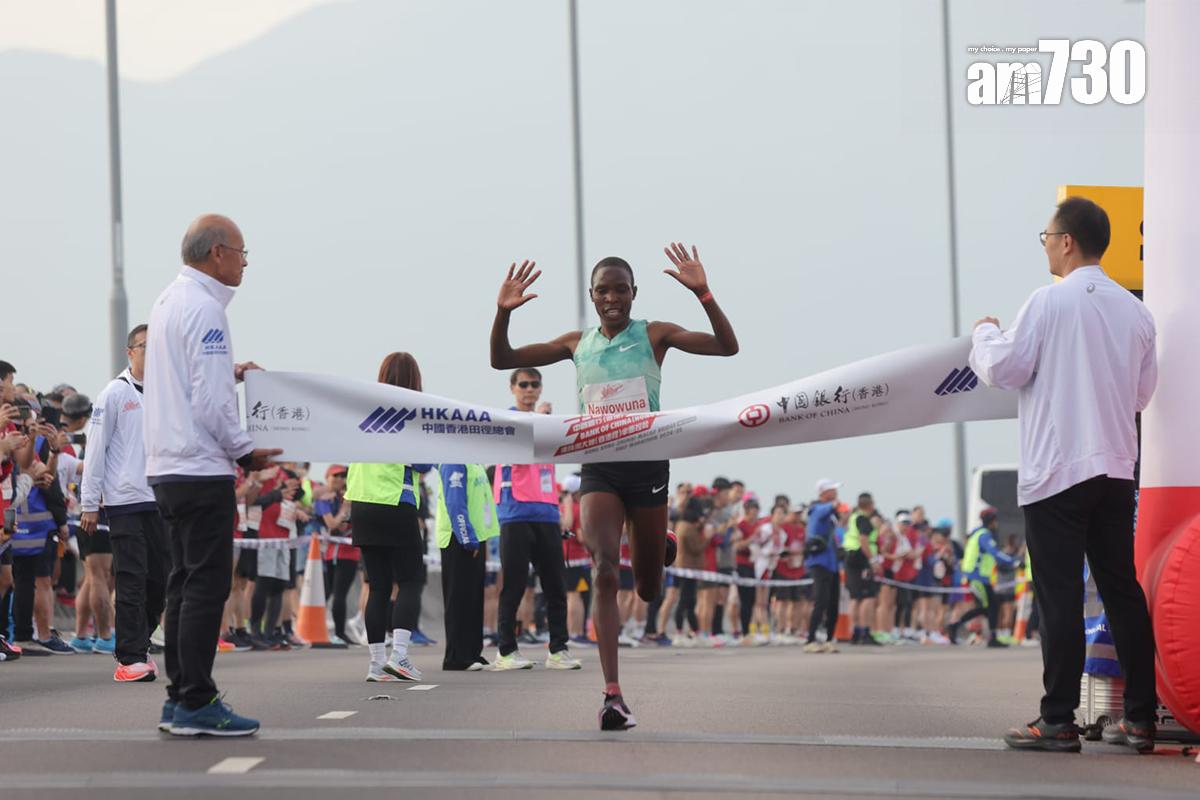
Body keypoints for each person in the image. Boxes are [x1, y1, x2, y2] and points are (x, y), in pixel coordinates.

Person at [491, 244, 738, 729]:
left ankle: (656, 545)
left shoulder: (655, 334)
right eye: (602, 290)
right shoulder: (575, 344)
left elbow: (727, 346)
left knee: (646, 588)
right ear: (592, 294)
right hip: (599, 468)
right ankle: (612, 695)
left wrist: (704, 293)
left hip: (647, 468)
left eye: (620, 290)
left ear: (632, 294)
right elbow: (503, 359)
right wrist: (502, 314)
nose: (611, 298)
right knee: (604, 568)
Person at [970, 196, 1158, 754]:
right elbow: (1143, 395)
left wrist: (984, 333)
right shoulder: (1136, 312)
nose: (1046, 245)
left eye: (1047, 236)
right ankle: (1142, 718)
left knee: (1058, 596)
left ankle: (1057, 719)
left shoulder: (1048, 303)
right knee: (1122, 590)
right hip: (1117, 468)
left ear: (1067, 240)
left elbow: (1005, 367)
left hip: (1057, 470)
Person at [144, 214, 280, 736]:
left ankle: (180, 699)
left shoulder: (169, 302)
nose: (245, 263)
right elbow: (210, 400)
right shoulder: (205, 309)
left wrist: (231, 370)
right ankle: (196, 701)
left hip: (168, 466)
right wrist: (245, 452)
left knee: (183, 585)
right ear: (217, 253)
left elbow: (192, 381)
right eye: (242, 253)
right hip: (199, 467)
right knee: (204, 587)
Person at [79, 323, 167, 682]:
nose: (153, 353)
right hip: (124, 500)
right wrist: (89, 502)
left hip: (161, 499)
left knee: (160, 580)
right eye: (145, 346)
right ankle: (129, 657)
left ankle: (140, 643)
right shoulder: (114, 394)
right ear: (130, 352)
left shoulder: (167, 392)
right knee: (132, 577)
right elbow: (96, 450)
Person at [344, 352, 433, 683]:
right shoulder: (412, 411)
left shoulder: (360, 410)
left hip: (362, 504)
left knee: (378, 585)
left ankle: (376, 664)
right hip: (395, 500)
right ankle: (400, 655)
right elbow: (423, 465)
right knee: (410, 580)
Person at [492, 368, 579, 671]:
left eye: (535, 384)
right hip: (515, 512)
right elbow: (518, 451)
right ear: (513, 388)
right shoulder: (509, 422)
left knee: (556, 585)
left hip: (546, 512)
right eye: (524, 384)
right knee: (514, 585)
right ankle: (505, 650)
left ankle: (558, 649)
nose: (530, 389)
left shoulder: (548, 423)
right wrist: (539, 421)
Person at [435, 463, 499, 671]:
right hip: (458, 538)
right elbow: (455, 503)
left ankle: (472, 652)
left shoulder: (475, 463)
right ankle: (456, 657)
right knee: (459, 599)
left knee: (472, 598)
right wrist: (467, 537)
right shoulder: (454, 460)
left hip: (475, 537)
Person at [316, 465, 357, 646]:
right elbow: (333, 524)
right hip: (331, 553)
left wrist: (346, 507)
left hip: (349, 552)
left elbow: (344, 524)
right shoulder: (323, 499)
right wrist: (344, 509)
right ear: (327, 477)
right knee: (331, 593)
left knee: (337, 593)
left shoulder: (347, 497)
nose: (340, 479)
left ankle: (338, 632)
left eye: (344, 476)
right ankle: (336, 633)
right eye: (336, 475)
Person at [802, 479, 842, 654]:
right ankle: (810, 640)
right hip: (820, 563)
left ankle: (829, 639)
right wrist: (834, 504)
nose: (836, 492)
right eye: (833, 490)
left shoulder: (829, 514)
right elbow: (827, 508)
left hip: (832, 564)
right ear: (824, 492)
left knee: (833, 603)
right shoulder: (817, 509)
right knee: (821, 601)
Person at [842, 492, 880, 646]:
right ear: (870, 505)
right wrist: (872, 560)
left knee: (854, 597)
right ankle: (865, 631)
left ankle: (855, 631)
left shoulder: (853, 517)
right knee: (867, 597)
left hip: (850, 557)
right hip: (861, 558)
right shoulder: (864, 520)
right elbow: (864, 539)